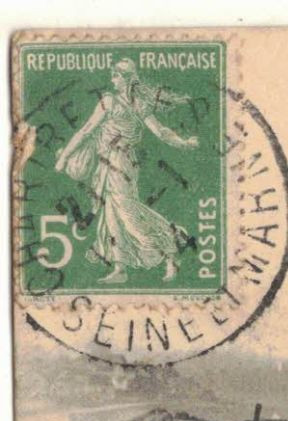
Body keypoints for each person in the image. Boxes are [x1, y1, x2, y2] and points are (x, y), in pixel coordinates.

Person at [52, 59, 199, 284]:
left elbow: (160, 131)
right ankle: (120, 268)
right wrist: (64, 157)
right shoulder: (111, 101)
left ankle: (171, 250)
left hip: (121, 163)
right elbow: (86, 131)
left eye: (116, 75)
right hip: (107, 163)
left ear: (127, 78)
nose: (112, 79)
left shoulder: (128, 104)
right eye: (112, 75)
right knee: (111, 216)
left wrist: (184, 143)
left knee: (129, 214)